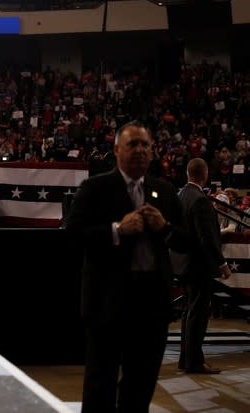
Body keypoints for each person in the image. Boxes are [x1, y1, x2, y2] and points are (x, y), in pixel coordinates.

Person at [66, 121, 189, 413]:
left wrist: (165, 227)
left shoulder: (165, 191)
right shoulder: (94, 187)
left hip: (151, 303)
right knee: (100, 385)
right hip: (107, 302)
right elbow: (72, 236)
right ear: (117, 149)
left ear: (153, 152)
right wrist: (117, 230)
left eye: (145, 145)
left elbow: (187, 241)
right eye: (132, 144)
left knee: (141, 385)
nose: (140, 151)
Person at [177, 158, 231, 374]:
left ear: (187, 173)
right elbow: (207, 238)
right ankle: (194, 362)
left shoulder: (181, 195)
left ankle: (186, 359)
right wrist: (223, 264)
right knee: (197, 315)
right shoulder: (200, 200)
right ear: (205, 173)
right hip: (198, 266)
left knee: (189, 313)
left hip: (184, 264)